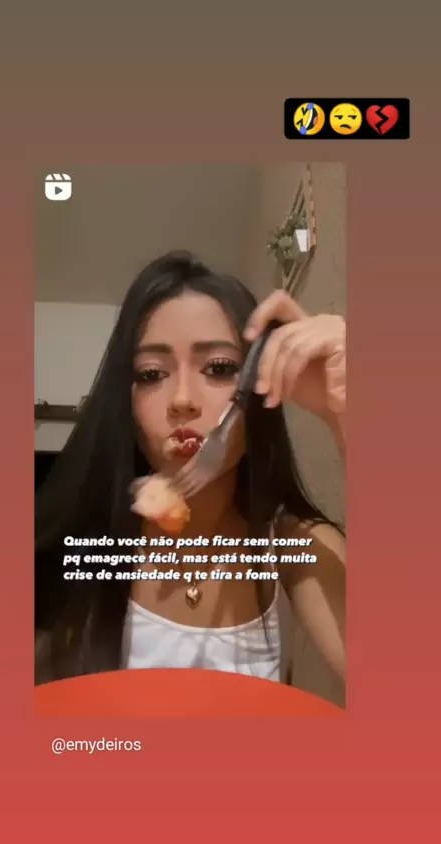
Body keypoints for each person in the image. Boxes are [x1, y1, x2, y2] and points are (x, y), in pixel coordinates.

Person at [35, 251, 346, 687]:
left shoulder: (293, 548)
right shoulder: (82, 546)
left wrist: (347, 416)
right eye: (151, 373)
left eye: (219, 368)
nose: (182, 399)